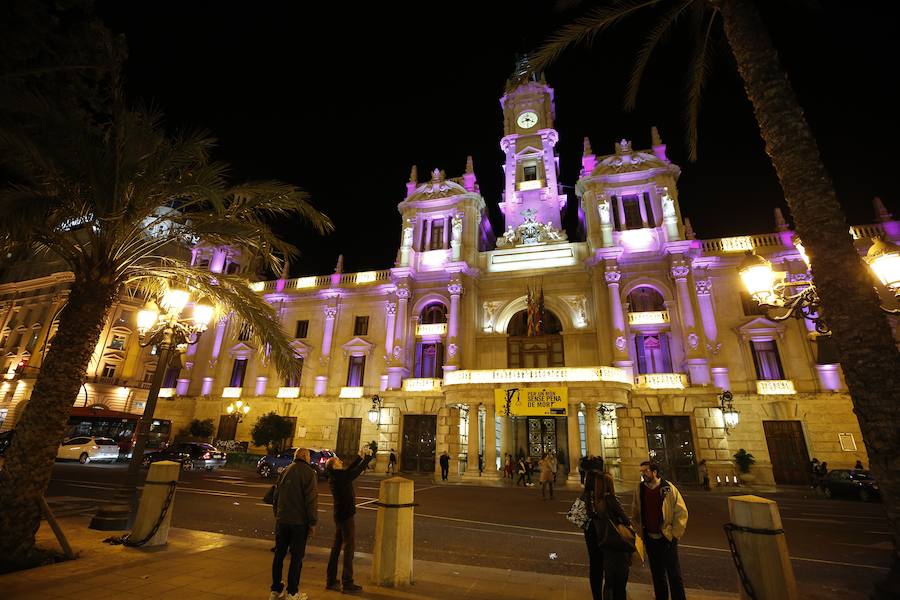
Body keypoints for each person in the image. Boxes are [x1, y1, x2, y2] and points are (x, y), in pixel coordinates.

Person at [632, 461, 688, 600]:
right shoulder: (640, 489)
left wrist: (674, 535)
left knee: (674, 573)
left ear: (654, 472)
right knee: (657, 574)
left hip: (666, 538)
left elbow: (681, 512)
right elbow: (635, 512)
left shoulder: (667, 488)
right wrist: (640, 532)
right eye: (642, 471)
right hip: (650, 538)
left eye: (645, 471)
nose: (643, 474)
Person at [324, 447, 373, 594]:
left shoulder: (337, 475)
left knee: (336, 547)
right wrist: (368, 458)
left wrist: (359, 456)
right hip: (346, 516)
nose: (341, 461)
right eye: (338, 461)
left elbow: (350, 470)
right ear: (334, 466)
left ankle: (331, 580)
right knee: (349, 548)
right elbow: (355, 473)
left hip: (340, 515)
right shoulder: (339, 478)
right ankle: (347, 582)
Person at [270, 448, 318, 600]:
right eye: (309, 456)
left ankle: (276, 590)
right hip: (299, 522)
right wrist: (312, 522)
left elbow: (275, 495)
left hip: (282, 520)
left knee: (279, 555)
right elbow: (311, 500)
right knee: (296, 558)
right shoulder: (309, 473)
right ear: (305, 456)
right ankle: (292, 592)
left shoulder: (285, 470)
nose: (310, 458)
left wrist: (278, 515)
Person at [584, 467, 632, 600]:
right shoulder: (610, 500)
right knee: (614, 574)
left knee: (595, 567)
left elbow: (578, 519)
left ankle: (597, 596)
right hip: (611, 538)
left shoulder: (587, 498)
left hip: (592, 534)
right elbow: (626, 521)